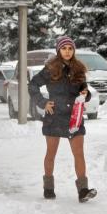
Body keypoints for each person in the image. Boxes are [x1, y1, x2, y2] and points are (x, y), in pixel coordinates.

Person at [28, 36, 97, 203]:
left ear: (73, 51)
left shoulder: (79, 69)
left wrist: (85, 95)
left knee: (79, 153)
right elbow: (33, 85)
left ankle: (83, 190)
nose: (67, 51)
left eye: (70, 48)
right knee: (51, 153)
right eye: (64, 48)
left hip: (74, 116)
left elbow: (85, 92)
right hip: (55, 116)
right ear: (59, 50)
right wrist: (43, 103)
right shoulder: (51, 68)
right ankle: (48, 187)